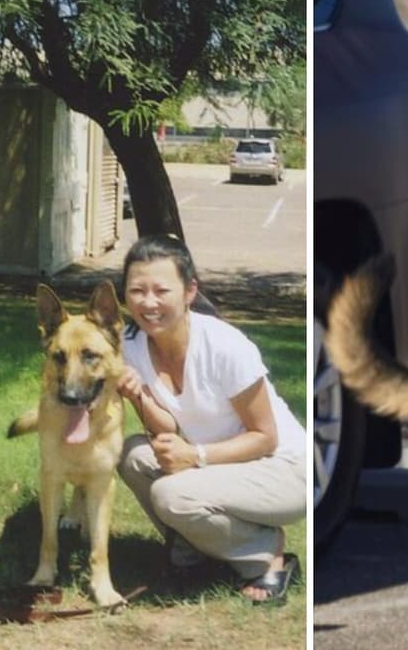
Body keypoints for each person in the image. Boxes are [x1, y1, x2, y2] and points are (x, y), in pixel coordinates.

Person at [115, 235, 306, 604]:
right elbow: (168, 427)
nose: (148, 302)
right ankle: (195, 554)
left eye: (161, 290)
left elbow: (265, 437)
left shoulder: (224, 345)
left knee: (171, 494)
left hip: (281, 468)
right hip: (219, 465)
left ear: (189, 292)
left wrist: (195, 457)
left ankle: (268, 554)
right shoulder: (131, 343)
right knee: (133, 455)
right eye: (137, 290)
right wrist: (137, 395)